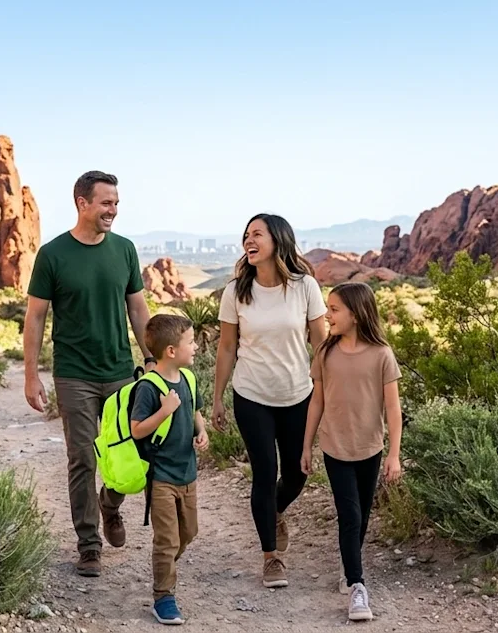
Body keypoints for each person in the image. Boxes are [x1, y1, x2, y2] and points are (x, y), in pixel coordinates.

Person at [23, 170, 156, 577]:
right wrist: (31, 375)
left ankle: (110, 505)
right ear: (82, 203)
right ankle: (89, 544)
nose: (113, 210)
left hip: (119, 371)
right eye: (106, 203)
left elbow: (137, 309)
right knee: (82, 457)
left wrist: (151, 361)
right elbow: (35, 317)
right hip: (74, 374)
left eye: (116, 203)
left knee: (129, 454)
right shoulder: (53, 254)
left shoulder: (125, 250)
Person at [212, 213, 328, 589]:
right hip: (252, 395)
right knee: (263, 472)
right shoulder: (236, 291)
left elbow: (321, 344)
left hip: (298, 394)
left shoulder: (305, 287)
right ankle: (271, 558)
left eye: (257, 234)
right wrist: (217, 398)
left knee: (296, 473)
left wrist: (332, 390)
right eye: (246, 234)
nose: (249, 239)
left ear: (278, 240)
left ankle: (275, 510)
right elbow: (227, 347)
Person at [299, 282, 403, 623]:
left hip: (370, 448)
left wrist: (394, 454)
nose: (328, 315)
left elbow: (393, 408)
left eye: (334, 310)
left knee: (362, 514)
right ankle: (357, 585)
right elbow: (317, 401)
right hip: (335, 447)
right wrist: (306, 446)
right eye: (328, 308)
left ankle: (349, 563)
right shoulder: (326, 353)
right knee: (350, 515)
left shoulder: (381, 355)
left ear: (356, 315)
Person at [128, 313, 209, 625]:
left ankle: (163, 566)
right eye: (191, 342)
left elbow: (195, 411)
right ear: (171, 351)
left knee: (189, 532)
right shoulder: (150, 387)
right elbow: (137, 429)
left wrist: (200, 432)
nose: (196, 347)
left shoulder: (188, 379)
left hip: (188, 473)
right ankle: (163, 597)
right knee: (167, 540)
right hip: (160, 476)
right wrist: (164, 410)